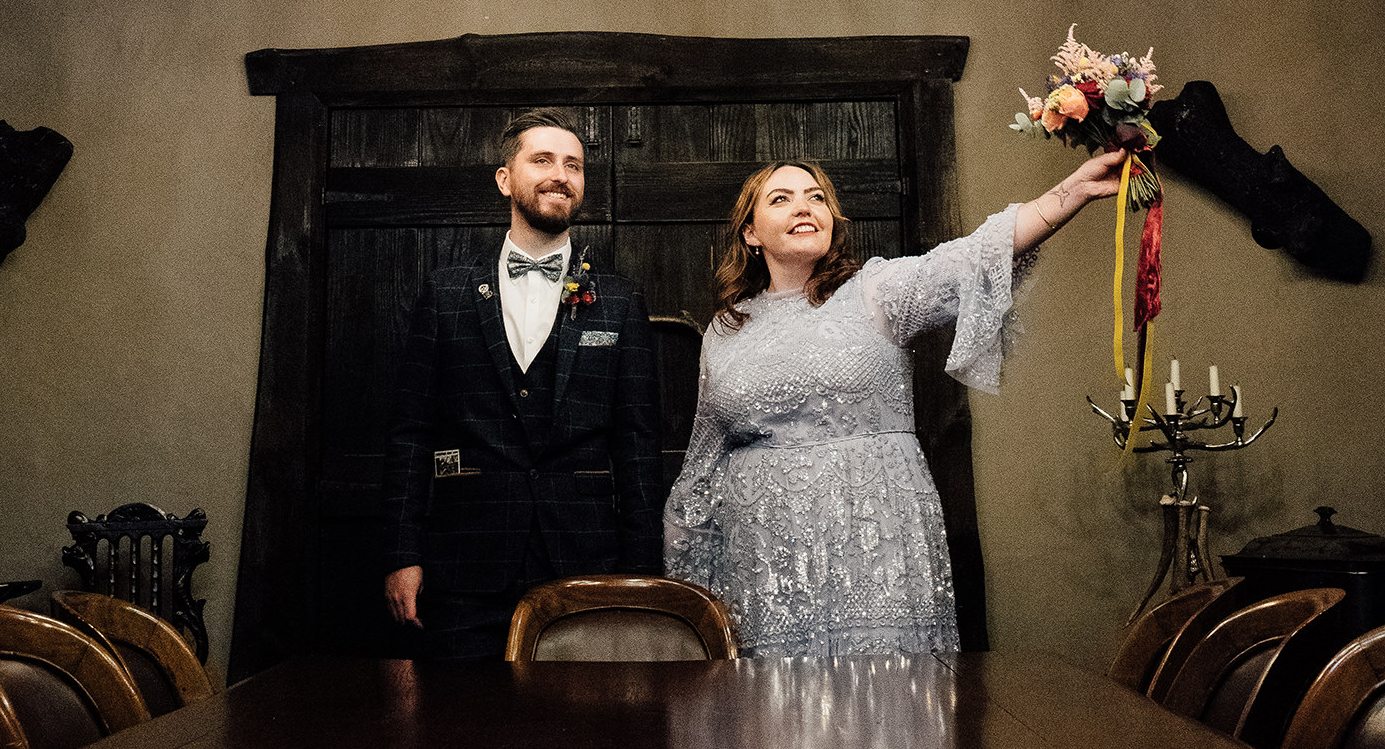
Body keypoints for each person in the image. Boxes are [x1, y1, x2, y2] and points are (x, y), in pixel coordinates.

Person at [664, 151, 1124, 658]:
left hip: (874, 539)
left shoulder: (876, 293)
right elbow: (703, 463)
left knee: (882, 699)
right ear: (751, 233)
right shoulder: (727, 329)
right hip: (761, 558)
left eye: (817, 198)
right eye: (781, 199)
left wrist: (1071, 193)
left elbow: (972, 255)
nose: (805, 208)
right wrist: (688, 589)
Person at [381, 107, 664, 661]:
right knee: (462, 734)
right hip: (465, 565)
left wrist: (642, 575)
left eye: (573, 165)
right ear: (505, 179)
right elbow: (410, 433)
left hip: (584, 562)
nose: (560, 174)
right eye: (542, 160)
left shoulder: (620, 300)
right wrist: (400, 554)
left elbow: (637, 445)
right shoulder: (446, 293)